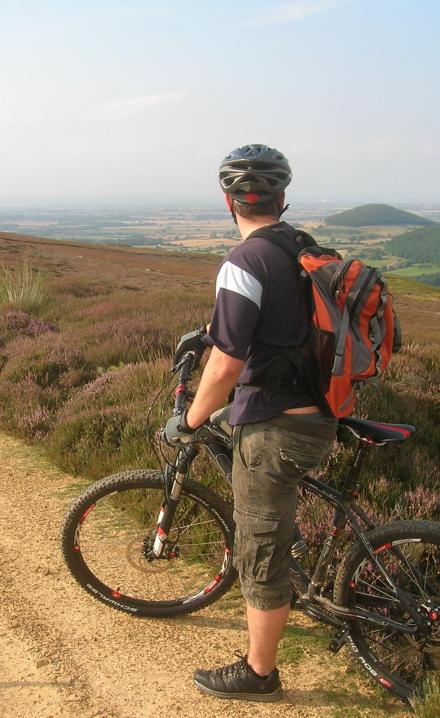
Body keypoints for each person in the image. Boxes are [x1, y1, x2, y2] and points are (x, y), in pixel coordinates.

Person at [163, 144, 337, 701]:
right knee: (277, 527)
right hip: (321, 415)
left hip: (274, 428)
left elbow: (228, 365)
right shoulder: (303, 251)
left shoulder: (244, 262)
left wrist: (190, 420)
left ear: (228, 200)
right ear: (283, 199)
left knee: (259, 552)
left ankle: (259, 675)